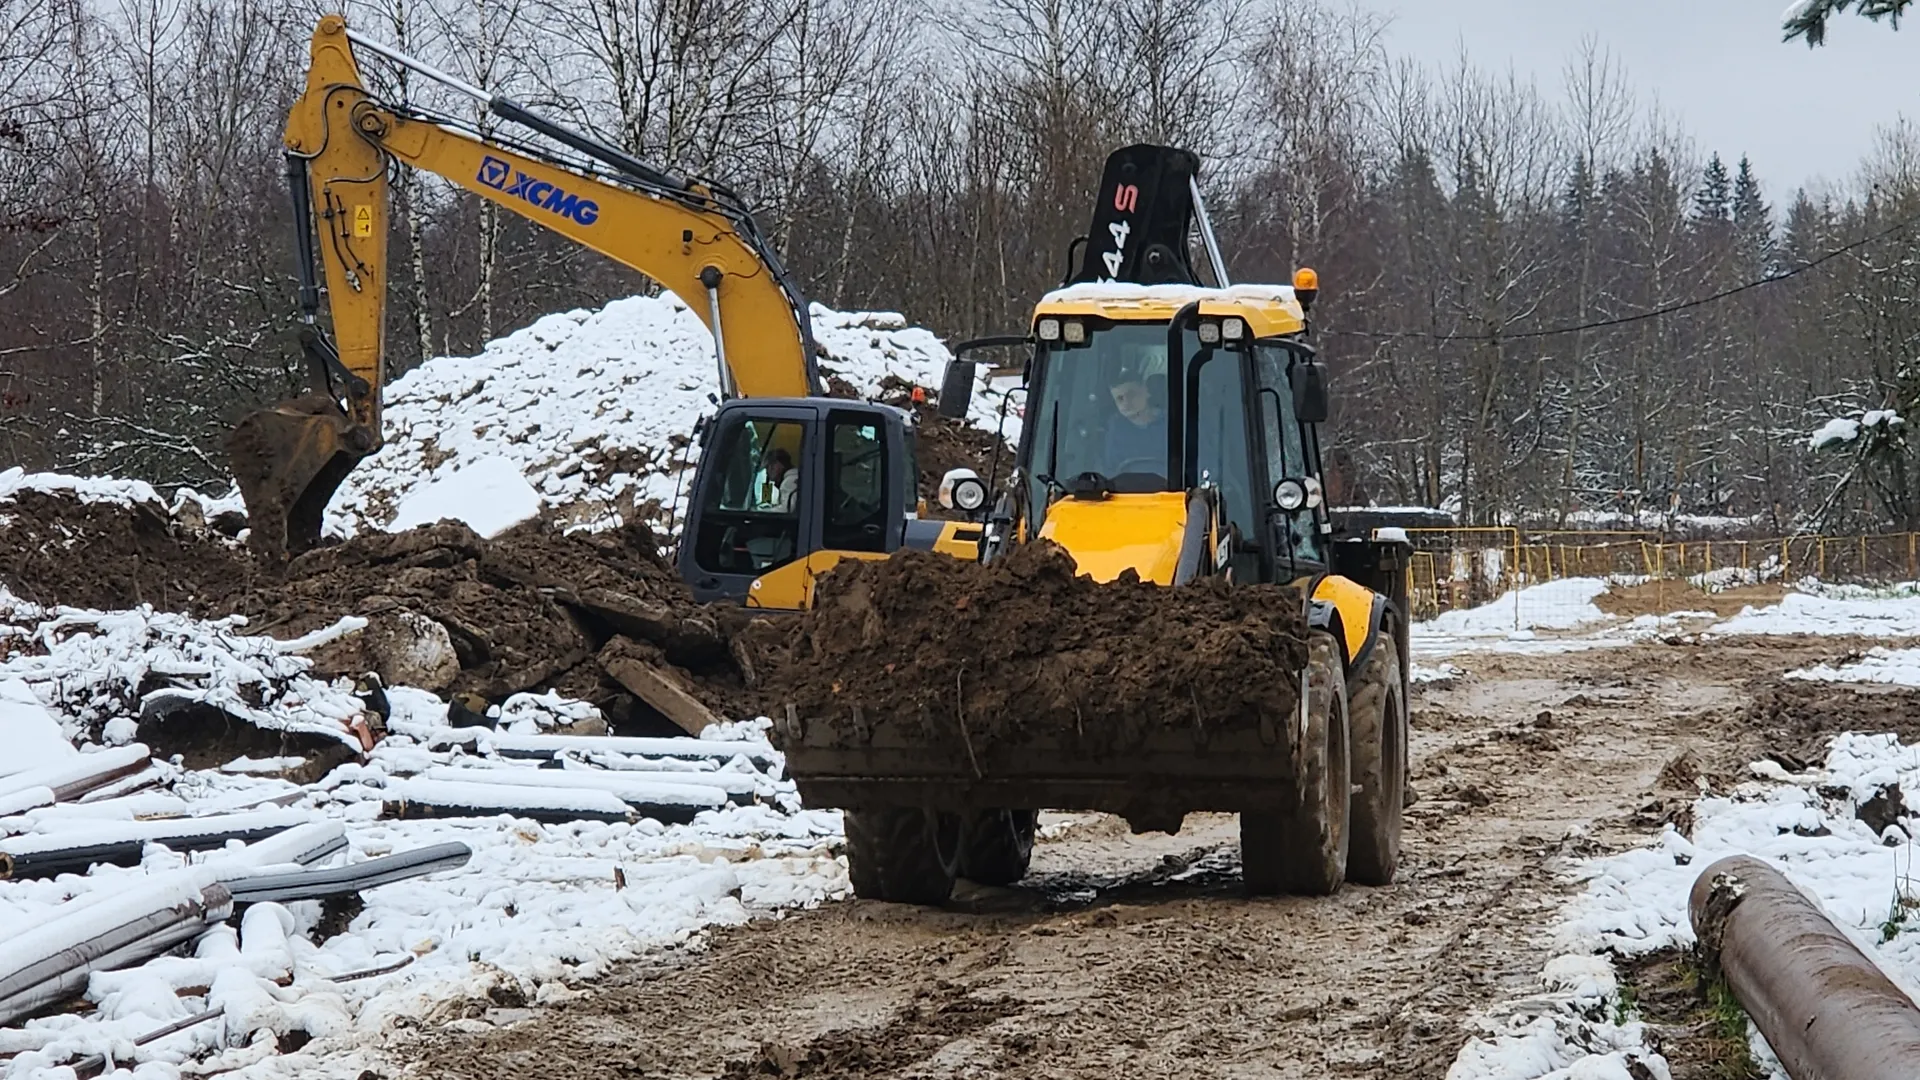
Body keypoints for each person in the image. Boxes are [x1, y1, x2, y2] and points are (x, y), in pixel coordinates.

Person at [1103, 355, 1168, 476]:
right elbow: (1110, 470)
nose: (1126, 403)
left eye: (1132, 394)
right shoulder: (1115, 429)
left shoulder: (1173, 423)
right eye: (1119, 399)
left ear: (1146, 391)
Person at [764, 447, 799, 512]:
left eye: (767, 467)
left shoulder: (789, 482)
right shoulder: (795, 477)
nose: (767, 472)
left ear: (777, 465)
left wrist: (765, 512)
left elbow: (786, 509)